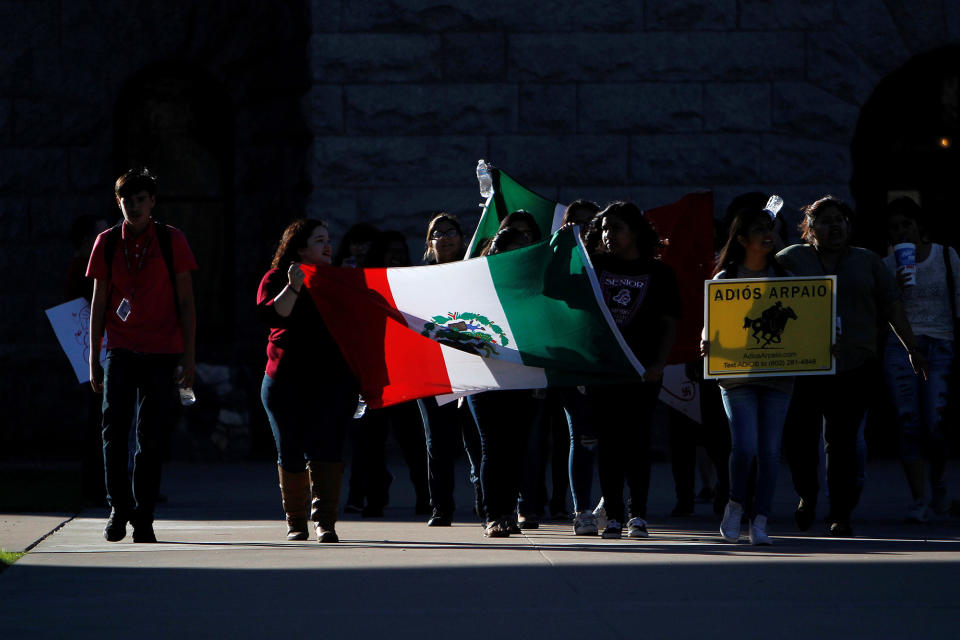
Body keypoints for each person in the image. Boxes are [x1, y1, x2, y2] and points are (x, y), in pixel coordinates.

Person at [777, 196, 928, 537]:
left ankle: (840, 513)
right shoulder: (790, 260)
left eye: (841, 220)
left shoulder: (867, 262)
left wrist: (912, 348)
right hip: (804, 368)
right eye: (826, 221)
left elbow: (892, 308)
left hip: (855, 365)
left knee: (842, 442)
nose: (835, 226)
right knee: (800, 439)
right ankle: (807, 495)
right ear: (810, 229)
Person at [87, 167, 197, 543]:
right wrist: (94, 357)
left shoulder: (171, 240)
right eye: (126, 200)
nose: (132, 207)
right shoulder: (106, 242)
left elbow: (186, 301)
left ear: (152, 202)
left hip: (162, 350)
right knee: (113, 431)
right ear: (117, 202)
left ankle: (144, 515)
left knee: (151, 436)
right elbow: (100, 303)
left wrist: (189, 356)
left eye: (139, 200)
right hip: (120, 348)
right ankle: (119, 507)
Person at [257, 218, 359, 542]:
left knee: (328, 448)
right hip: (285, 381)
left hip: (332, 382)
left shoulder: (336, 279)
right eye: (319, 240)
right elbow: (275, 314)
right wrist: (294, 285)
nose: (328, 245)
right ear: (299, 248)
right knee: (290, 449)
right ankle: (296, 522)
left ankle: (325, 522)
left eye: (329, 239)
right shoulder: (276, 278)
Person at [587, 202, 681, 539]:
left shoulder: (660, 274)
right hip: (604, 372)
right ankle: (612, 515)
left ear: (635, 232)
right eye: (604, 228)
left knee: (637, 443)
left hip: (643, 372)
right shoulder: (593, 267)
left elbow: (669, 323)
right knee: (609, 443)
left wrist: (658, 364)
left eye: (616, 228)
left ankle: (637, 515)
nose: (608, 235)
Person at [702, 204, 793, 545]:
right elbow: (712, 326)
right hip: (737, 375)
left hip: (779, 376)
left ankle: (760, 520)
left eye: (771, 228)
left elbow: (806, 327)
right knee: (744, 447)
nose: (768, 235)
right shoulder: (726, 279)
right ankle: (736, 503)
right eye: (758, 229)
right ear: (741, 239)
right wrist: (706, 342)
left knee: (770, 451)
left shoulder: (786, 280)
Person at [881, 197, 958, 522]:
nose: (902, 232)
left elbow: (957, 297)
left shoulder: (945, 255)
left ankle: (939, 485)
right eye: (896, 228)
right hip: (902, 347)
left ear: (919, 226)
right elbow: (884, 312)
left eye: (906, 225)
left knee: (935, 423)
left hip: (940, 343)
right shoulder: (887, 265)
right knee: (908, 421)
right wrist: (893, 288)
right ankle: (918, 499)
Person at [468, 226, 543, 537]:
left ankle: (509, 511)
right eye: (512, 248)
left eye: (524, 248)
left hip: (523, 376)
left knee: (516, 448)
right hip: (486, 376)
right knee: (493, 447)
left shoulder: (533, 287)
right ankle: (493, 515)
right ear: (498, 252)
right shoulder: (477, 282)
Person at [350, 230, 431, 517]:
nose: (396, 256)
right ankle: (374, 498)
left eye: (400, 250)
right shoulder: (366, 284)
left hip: (405, 372)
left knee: (414, 442)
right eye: (390, 251)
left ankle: (425, 496)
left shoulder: (410, 283)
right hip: (376, 374)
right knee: (372, 443)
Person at [418, 213, 485, 526]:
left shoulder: (475, 271)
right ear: (430, 243)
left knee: (476, 438)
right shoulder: (417, 280)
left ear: (462, 237)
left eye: (450, 231)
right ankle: (441, 507)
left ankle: (485, 504)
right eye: (437, 233)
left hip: (473, 366)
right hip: (434, 370)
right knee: (439, 442)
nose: (444, 237)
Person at [66, 214, 110, 507]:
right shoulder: (82, 271)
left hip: (96, 351)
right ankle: (95, 486)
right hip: (95, 353)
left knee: (103, 420)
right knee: (99, 421)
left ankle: (100, 485)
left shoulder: (84, 269)